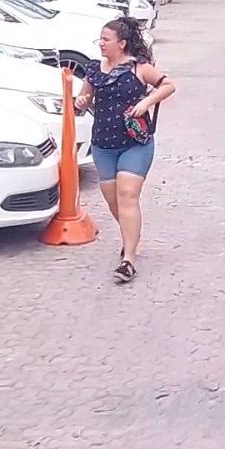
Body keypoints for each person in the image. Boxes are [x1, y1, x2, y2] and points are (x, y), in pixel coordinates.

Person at [74, 17, 177, 284]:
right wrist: (82, 101)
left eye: (106, 40)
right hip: (103, 144)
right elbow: (83, 102)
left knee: (127, 194)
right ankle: (131, 237)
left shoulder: (139, 68)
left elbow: (168, 85)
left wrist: (146, 102)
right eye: (100, 39)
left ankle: (128, 259)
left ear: (121, 43)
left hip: (135, 142)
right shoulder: (94, 70)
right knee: (113, 201)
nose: (101, 44)